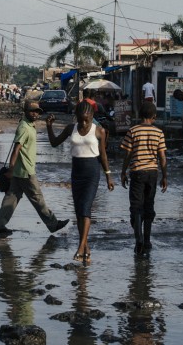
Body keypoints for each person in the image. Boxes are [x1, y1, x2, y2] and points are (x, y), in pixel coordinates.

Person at [46, 102, 114, 263]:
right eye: (81, 120)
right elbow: (54, 143)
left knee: (85, 209)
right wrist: (49, 126)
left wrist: (108, 176)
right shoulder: (71, 129)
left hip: (92, 172)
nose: (84, 123)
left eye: (87, 120)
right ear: (76, 117)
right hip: (76, 172)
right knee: (78, 212)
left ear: (92, 117)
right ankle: (86, 248)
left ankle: (80, 247)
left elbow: (103, 155)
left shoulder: (99, 131)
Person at [0, 100, 71, 236]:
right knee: (37, 199)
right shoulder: (24, 127)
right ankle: (53, 224)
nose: (35, 114)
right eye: (32, 111)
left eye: (37, 112)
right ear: (25, 112)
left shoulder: (28, 125)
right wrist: (11, 169)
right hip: (25, 171)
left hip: (19, 171)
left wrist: (48, 124)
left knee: (12, 198)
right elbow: (16, 149)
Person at [120, 101, 167, 257]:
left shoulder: (133, 131)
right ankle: (147, 241)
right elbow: (162, 157)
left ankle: (138, 240)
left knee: (136, 207)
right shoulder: (159, 133)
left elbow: (127, 154)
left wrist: (123, 171)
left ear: (140, 115)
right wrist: (165, 176)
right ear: (154, 116)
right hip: (152, 173)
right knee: (149, 207)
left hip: (137, 172)